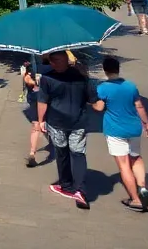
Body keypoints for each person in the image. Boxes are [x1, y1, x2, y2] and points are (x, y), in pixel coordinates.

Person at [91, 56, 148, 211]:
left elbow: (98, 108)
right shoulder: (130, 86)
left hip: (115, 130)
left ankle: (136, 200)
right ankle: (143, 188)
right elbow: (139, 107)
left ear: (105, 70)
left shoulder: (103, 88)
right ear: (118, 69)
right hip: (134, 127)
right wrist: (147, 123)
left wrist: (91, 101)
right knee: (136, 158)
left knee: (124, 165)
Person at [38, 50, 93, 208]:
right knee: (77, 153)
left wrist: (40, 121)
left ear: (63, 61)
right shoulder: (81, 76)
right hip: (78, 122)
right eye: (52, 61)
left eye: (55, 60)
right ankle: (79, 189)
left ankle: (67, 185)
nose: (53, 63)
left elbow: (43, 101)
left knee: (62, 152)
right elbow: (92, 99)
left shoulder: (47, 78)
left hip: (57, 122)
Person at [21, 57, 51, 167]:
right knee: (36, 124)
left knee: (47, 123)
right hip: (36, 99)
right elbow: (27, 79)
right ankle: (32, 153)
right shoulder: (31, 65)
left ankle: (54, 142)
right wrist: (35, 82)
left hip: (48, 98)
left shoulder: (54, 64)